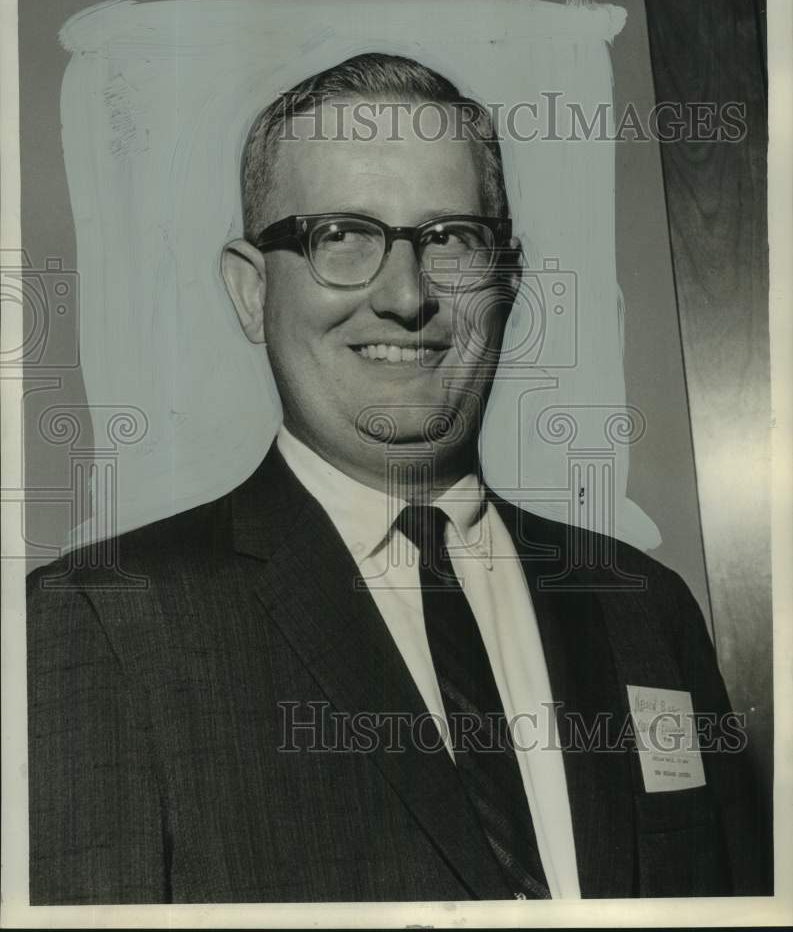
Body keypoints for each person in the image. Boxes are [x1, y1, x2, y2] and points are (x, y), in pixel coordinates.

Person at [27, 52, 770, 904]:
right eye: (339, 236)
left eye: (450, 239)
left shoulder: (645, 608)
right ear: (249, 289)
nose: (405, 295)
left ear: (507, 281)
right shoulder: (104, 621)